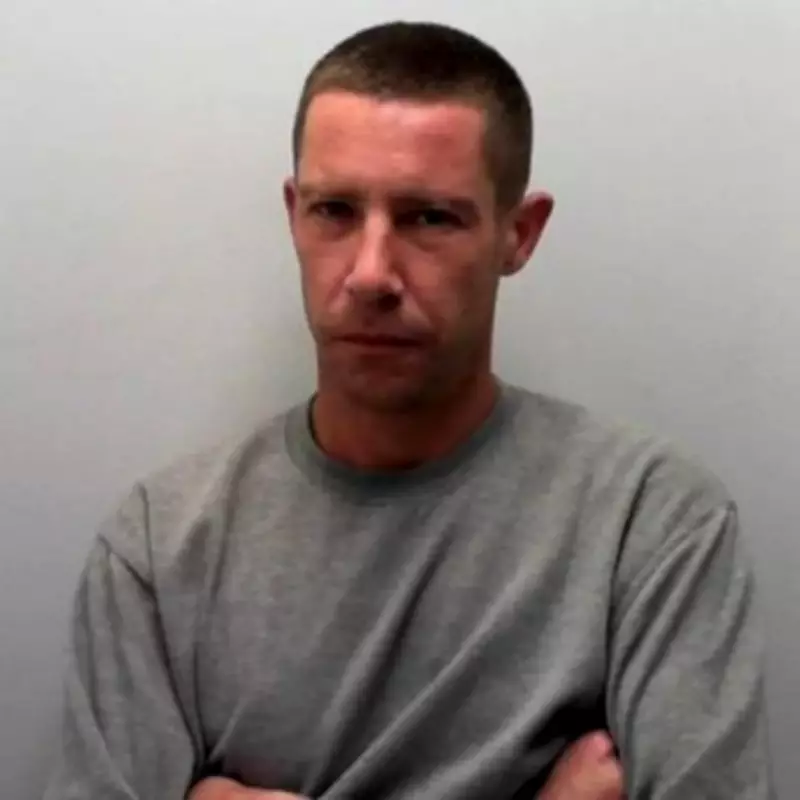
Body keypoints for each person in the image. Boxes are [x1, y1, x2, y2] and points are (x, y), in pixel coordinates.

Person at [44, 20, 774, 800]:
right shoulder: (162, 546)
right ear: (293, 214)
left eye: (429, 217)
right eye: (334, 210)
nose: (370, 273)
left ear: (519, 234)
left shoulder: (650, 525)